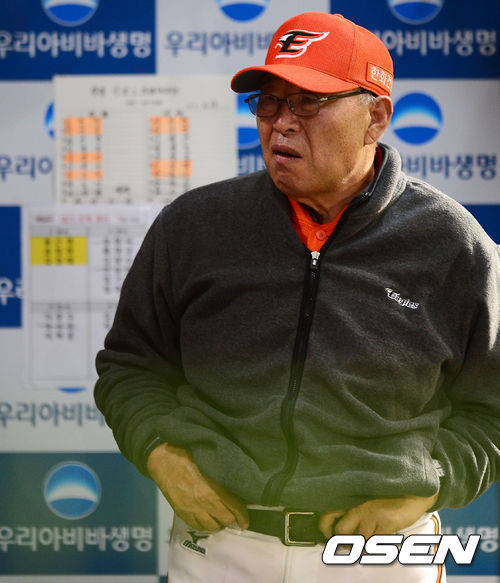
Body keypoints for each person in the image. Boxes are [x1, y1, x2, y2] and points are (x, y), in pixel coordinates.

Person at [94, 11, 499, 583]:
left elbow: (492, 408)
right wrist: (161, 453)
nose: (281, 123)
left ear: (375, 117)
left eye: (308, 102)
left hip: (378, 550)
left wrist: (429, 486)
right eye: (269, 102)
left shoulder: (453, 244)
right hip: (220, 544)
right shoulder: (194, 226)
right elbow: (129, 367)